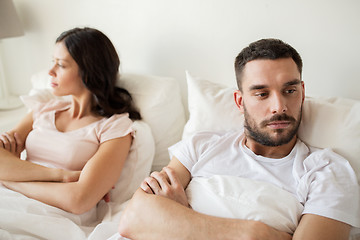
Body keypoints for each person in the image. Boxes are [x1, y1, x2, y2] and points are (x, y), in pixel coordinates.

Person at [118, 39, 360, 239]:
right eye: (262, 94)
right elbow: (133, 218)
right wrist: (254, 233)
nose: (279, 106)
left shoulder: (327, 171)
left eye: (289, 91)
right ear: (240, 101)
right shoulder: (201, 145)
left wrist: (180, 215)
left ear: (302, 92)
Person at [0, 27, 141, 214]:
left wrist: (10, 178)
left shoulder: (114, 127)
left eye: (61, 65)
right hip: (10, 199)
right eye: (53, 62)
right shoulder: (44, 109)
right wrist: (59, 176)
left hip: (55, 212)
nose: (50, 71)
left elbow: (78, 200)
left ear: (88, 72)